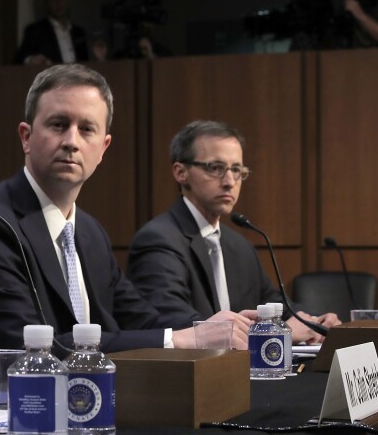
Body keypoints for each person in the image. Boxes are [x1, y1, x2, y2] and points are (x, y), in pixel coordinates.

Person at [0, 64, 251, 354]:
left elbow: (138, 318)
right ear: (27, 137)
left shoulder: (89, 232)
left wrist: (204, 329)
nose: (71, 141)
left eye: (87, 129)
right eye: (59, 124)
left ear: (103, 148)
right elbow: (21, 346)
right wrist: (175, 339)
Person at [126, 120, 339, 344]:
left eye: (236, 170)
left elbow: (277, 306)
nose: (229, 182)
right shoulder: (159, 240)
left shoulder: (238, 245)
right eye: (215, 168)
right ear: (181, 172)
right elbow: (175, 324)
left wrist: (315, 323)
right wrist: (281, 331)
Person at [15, 0, 89, 65]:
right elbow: (20, 58)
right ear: (48, 3)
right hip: (53, 76)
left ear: (68, 1)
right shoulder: (35, 30)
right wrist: (31, 60)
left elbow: (86, 62)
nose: (58, 3)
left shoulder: (79, 32)